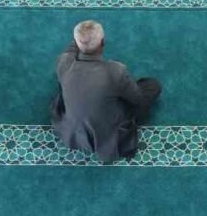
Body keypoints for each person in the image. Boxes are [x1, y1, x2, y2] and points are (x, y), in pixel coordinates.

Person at [51, 20, 162, 164]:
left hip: (71, 132)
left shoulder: (63, 62)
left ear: (76, 43)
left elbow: (70, 50)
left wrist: (83, 39)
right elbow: (137, 99)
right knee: (152, 86)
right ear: (103, 42)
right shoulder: (115, 71)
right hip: (108, 136)